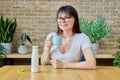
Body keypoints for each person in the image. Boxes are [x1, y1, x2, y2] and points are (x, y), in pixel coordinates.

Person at [41, 5, 96, 69]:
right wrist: (47, 48)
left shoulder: (82, 38)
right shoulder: (52, 36)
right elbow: (44, 63)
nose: (63, 21)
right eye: (60, 18)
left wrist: (63, 65)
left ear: (75, 19)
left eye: (67, 18)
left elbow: (92, 64)